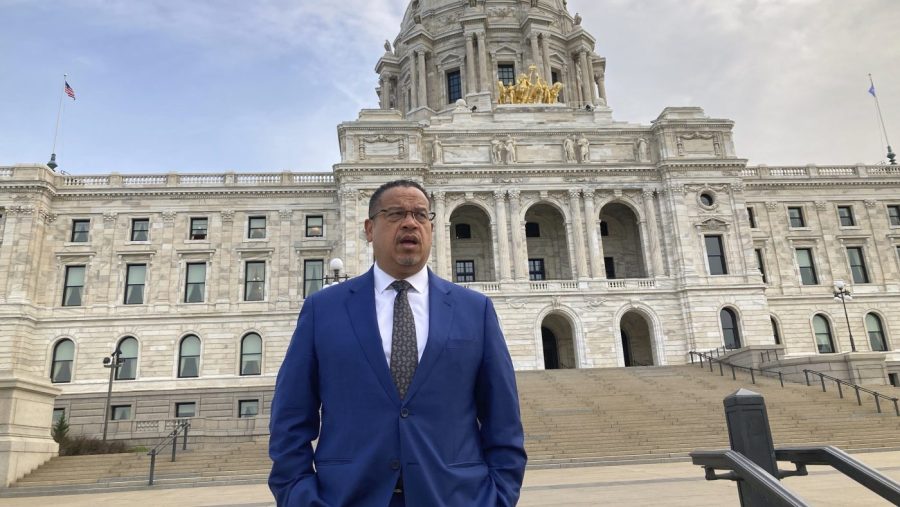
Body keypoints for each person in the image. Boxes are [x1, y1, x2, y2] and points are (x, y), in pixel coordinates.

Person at [269, 180, 527, 506]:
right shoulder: (323, 310)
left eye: (421, 214)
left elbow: (503, 422)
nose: (410, 222)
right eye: (395, 214)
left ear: (431, 227)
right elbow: (290, 418)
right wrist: (300, 497)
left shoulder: (475, 311)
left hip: (455, 497)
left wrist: (498, 498)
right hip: (347, 497)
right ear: (368, 228)